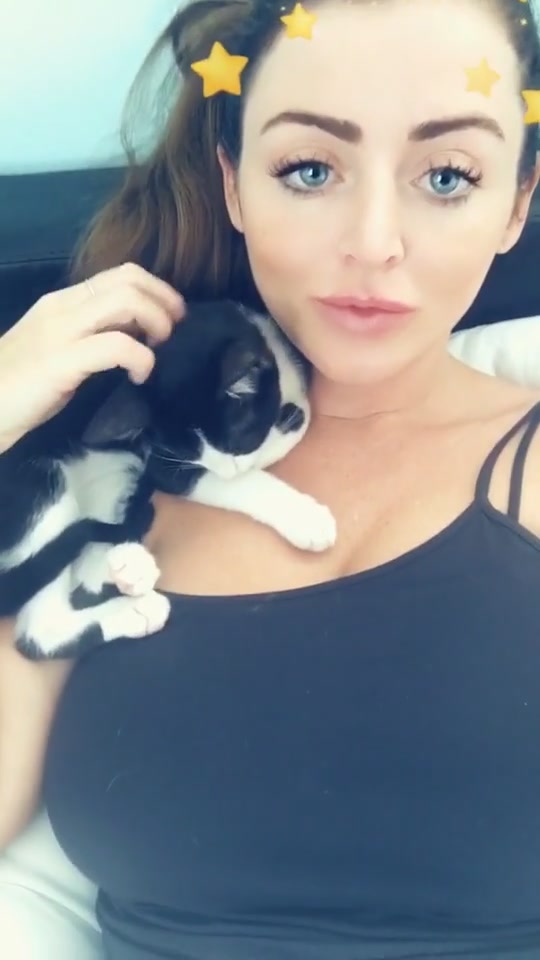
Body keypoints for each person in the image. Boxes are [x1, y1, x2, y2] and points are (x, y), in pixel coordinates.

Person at [2, 0, 540, 955]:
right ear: (236, 184)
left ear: (517, 203)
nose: (373, 241)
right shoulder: (117, 475)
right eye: (310, 169)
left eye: (448, 175)